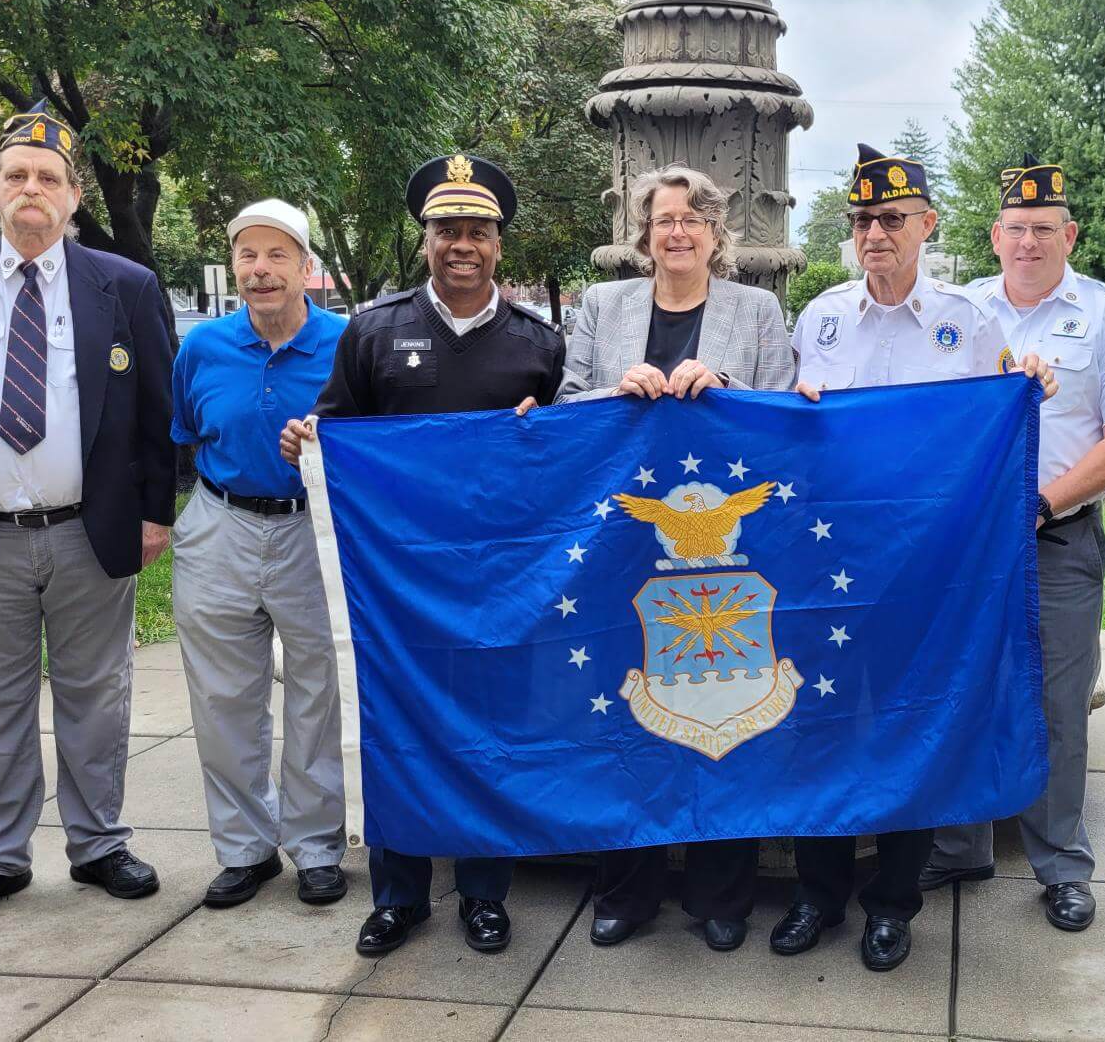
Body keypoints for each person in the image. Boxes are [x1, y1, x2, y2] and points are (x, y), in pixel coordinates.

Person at [0, 100, 175, 923]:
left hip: (90, 530)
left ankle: (100, 845)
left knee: (97, 696)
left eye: (48, 178)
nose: (31, 189)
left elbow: (156, 414)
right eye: (16, 175)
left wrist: (156, 512)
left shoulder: (124, 286)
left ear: (73, 195)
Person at [777, 144, 1056, 972]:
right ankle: (816, 894)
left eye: (892, 218)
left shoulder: (969, 324)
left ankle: (892, 905)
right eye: (862, 219)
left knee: (909, 725)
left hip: (926, 569)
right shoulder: (819, 318)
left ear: (927, 225)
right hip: (826, 566)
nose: (875, 233)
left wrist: (1026, 382)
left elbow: (1003, 417)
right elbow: (787, 435)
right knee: (817, 726)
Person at [280, 153, 564, 958]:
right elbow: (333, 433)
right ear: (426, 240)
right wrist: (308, 442)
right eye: (447, 230)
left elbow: (568, 461)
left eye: (477, 230)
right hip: (399, 584)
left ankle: (484, 892)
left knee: (491, 732)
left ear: (499, 244)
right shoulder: (374, 330)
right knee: (396, 728)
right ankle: (400, 897)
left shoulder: (539, 346)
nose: (462, 244)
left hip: (506, 581)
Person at [922, 155, 1105, 934]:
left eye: (1044, 230)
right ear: (995, 237)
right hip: (965, 546)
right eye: (1016, 229)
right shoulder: (957, 311)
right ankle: (960, 846)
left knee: (1057, 704)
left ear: (1070, 235)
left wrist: (1037, 504)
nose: (1029, 243)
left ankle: (1061, 863)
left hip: (1055, 539)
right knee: (963, 689)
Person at [557, 165, 794, 953]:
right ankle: (627, 890)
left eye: (694, 217)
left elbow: (789, 418)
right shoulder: (602, 307)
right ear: (644, 233)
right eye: (664, 218)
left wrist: (724, 388)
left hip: (727, 563)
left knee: (720, 712)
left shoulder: (757, 312)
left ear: (718, 232)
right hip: (625, 558)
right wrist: (609, 394)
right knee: (630, 717)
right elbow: (564, 407)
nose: (679, 230)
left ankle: (720, 895)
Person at [170, 199, 348, 910]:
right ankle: (244, 848)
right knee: (223, 696)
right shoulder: (202, 347)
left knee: (317, 690)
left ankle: (316, 847)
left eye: (277, 256)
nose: (261, 270)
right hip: (220, 524)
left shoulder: (347, 342)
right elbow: (182, 436)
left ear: (306, 267)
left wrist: (325, 445)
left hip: (314, 531)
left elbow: (377, 436)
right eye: (248, 256)